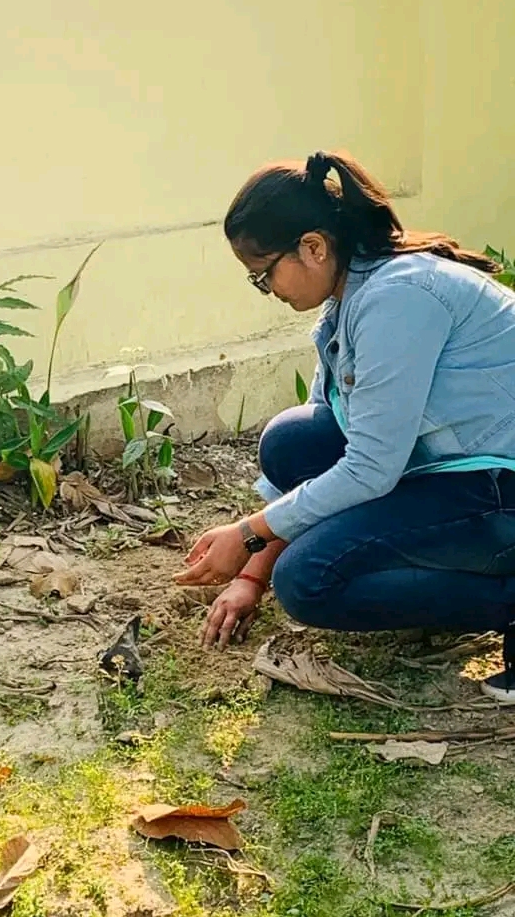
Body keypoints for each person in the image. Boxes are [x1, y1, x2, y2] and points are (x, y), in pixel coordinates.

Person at [174, 150, 515, 704]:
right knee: (294, 440)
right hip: (453, 472)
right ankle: (452, 581)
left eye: (264, 275)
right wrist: (249, 577)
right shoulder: (349, 303)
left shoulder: (399, 298)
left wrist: (247, 535)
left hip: (499, 485)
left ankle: (505, 597)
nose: (269, 291)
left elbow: (371, 468)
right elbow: (333, 450)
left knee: (308, 581)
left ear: (312, 246)